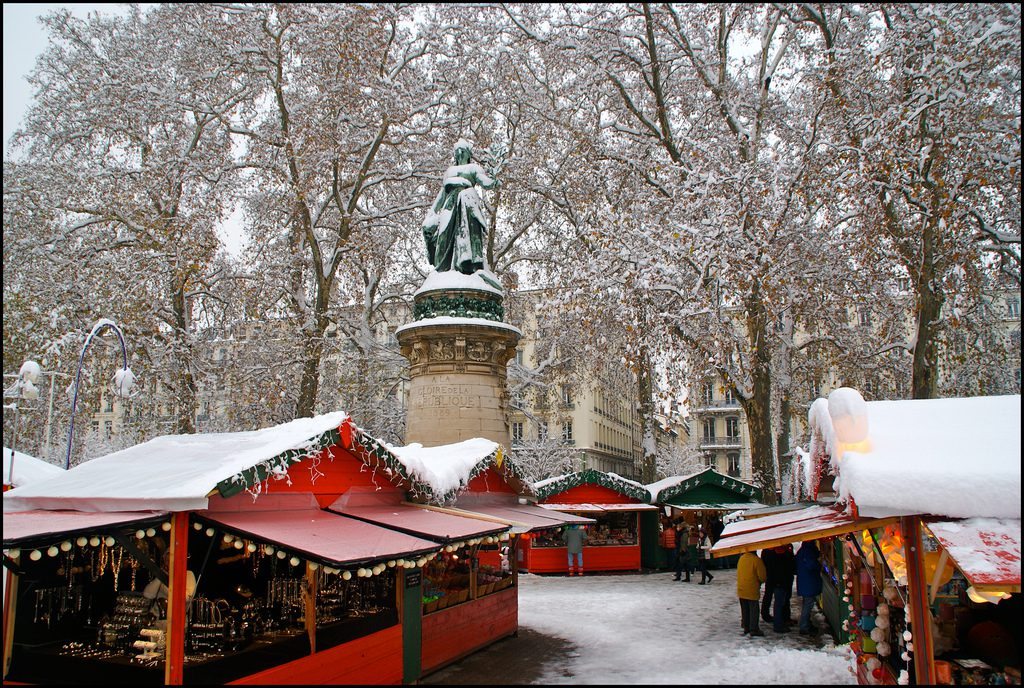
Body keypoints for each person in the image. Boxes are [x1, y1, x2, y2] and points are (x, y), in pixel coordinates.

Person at [421, 139, 499, 275]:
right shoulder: (450, 171)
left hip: (466, 203)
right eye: (457, 151)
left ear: (468, 154)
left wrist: (494, 178)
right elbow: (442, 195)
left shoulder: (474, 168)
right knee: (443, 237)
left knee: (466, 232)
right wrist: (432, 211)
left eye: (462, 151)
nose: (459, 153)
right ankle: (443, 269)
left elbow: (486, 183)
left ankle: (466, 263)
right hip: (450, 205)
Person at [143, 548, 197, 624]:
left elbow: (186, 598)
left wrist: (168, 585)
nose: (169, 560)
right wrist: (160, 576)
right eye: (167, 557)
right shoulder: (163, 575)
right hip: (157, 622)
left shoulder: (188, 574)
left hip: (176, 623)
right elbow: (148, 594)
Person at [737, 550, 767, 637]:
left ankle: (746, 627)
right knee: (753, 610)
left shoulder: (741, 559)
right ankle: (754, 629)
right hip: (752, 588)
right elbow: (763, 577)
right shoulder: (756, 560)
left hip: (741, 588)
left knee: (745, 609)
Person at [795, 541, 822, 635]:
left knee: (807, 603)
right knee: (808, 604)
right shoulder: (808, 551)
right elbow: (811, 565)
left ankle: (806, 623)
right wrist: (818, 565)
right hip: (809, 582)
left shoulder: (802, 551)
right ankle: (804, 626)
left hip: (805, 582)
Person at [772, 545, 796, 632]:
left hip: (778, 583)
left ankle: (780, 623)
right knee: (779, 605)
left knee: (779, 604)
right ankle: (778, 625)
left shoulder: (775, 557)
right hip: (782, 584)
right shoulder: (785, 558)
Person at [760, 546, 779, 624]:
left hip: (769, 576)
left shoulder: (765, 551)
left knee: (768, 596)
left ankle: (765, 614)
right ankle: (777, 617)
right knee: (777, 598)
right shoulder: (772, 551)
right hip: (774, 576)